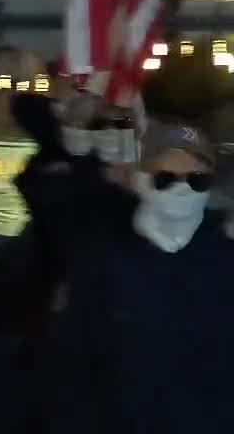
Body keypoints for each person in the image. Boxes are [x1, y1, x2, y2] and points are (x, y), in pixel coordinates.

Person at [44, 121, 234, 432]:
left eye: (197, 180)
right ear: (141, 181)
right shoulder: (103, 260)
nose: (182, 190)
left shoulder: (226, 256)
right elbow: (72, 367)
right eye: (164, 179)